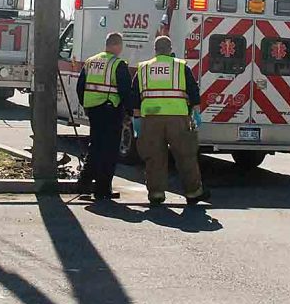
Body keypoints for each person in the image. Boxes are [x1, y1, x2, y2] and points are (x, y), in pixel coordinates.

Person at [132, 35, 209, 206]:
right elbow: (193, 90)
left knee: (154, 157)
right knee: (185, 155)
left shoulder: (143, 69)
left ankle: (156, 193)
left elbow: (135, 97)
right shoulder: (180, 67)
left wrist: (137, 119)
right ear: (170, 49)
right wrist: (196, 112)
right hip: (178, 119)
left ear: (155, 50)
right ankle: (193, 192)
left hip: (150, 119)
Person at [75, 31, 133, 201]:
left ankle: (84, 183)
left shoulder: (91, 62)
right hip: (110, 111)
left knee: (95, 146)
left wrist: (86, 104)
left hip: (94, 110)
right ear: (117, 45)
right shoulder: (118, 64)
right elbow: (124, 91)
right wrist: (129, 112)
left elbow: (80, 87)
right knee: (109, 151)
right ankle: (102, 189)